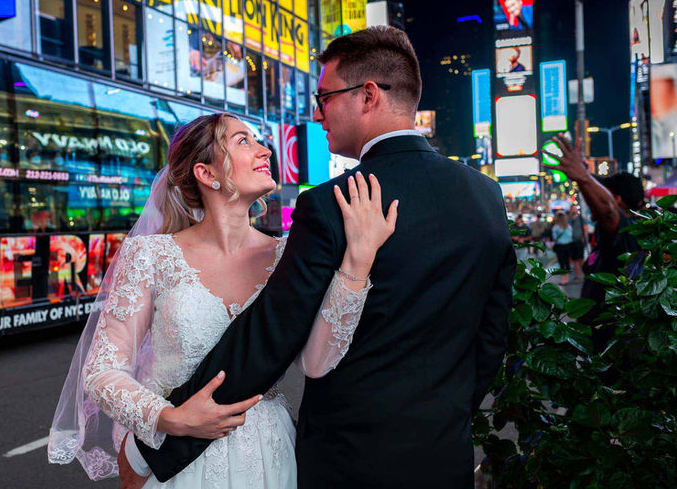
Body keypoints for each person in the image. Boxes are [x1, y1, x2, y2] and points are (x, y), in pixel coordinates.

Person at [124, 26, 515, 488]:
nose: (316, 113)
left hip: (347, 461)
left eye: (325, 97)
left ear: (367, 95)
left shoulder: (332, 203)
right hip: (442, 456)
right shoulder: (486, 196)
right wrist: (445, 414)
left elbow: (268, 338)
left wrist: (155, 445)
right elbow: (491, 335)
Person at [48, 112, 398, 488]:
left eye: (258, 140)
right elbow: (102, 371)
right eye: (243, 141)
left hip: (269, 453)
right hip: (178, 459)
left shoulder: (287, 256)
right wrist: (171, 418)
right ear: (207, 174)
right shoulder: (150, 256)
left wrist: (359, 260)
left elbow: (316, 362)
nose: (265, 150)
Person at [548, 135, 643, 354]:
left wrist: (583, 178)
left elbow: (609, 213)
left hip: (614, 343)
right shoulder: (636, 227)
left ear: (616, 198)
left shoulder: (627, 228)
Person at [551, 211, 573, 285]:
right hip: (568, 246)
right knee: (567, 262)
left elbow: (554, 238)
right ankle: (567, 278)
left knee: (561, 263)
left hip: (560, 247)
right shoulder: (569, 227)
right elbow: (570, 237)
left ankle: (563, 279)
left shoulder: (555, 227)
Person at [567, 205, 586, 281]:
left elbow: (585, 228)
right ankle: (578, 276)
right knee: (574, 260)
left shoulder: (581, 218)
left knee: (581, 259)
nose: (574, 211)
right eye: (573, 209)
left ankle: (585, 274)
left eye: (575, 209)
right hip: (571, 242)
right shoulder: (569, 219)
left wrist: (583, 238)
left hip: (579, 241)